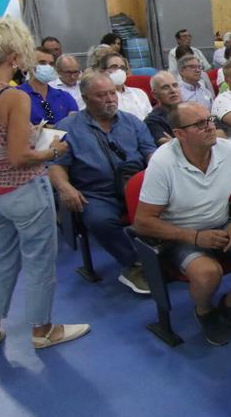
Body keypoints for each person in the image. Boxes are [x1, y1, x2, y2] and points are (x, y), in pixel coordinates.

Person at [0, 17, 89, 352]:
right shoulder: (13, 97)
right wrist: (51, 150)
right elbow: (18, 157)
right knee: (40, 261)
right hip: (23, 191)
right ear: (15, 54)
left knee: (2, 259)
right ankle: (43, 330)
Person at [132, 101, 231, 345]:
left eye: (210, 120)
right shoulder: (163, 162)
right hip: (180, 233)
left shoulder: (229, 150)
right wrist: (195, 237)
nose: (210, 127)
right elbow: (142, 223)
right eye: (200, 124)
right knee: (208, 273)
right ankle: (204, 311)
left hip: (222, 223)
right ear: (179, 134)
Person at [51, 72, 155, 295]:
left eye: (112, 93)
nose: (110, 99)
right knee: (100, 220)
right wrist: (65, 187)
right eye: (102, 95)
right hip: (97, 192)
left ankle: (164, 257)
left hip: (135, 185)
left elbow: (150, 152)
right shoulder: (68, 126)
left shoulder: (132, 121)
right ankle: (135, 264)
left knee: (166, 207)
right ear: (86, 98)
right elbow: (57, 165)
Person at [16, 49, 78, 125]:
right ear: (29, 64)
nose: (48, 67)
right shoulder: (16, 95)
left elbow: (74, 125)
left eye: (51, 64)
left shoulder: (65, 97)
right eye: (42, 63)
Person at [91, 46, 151, 121]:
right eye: (114, 67)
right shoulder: (100, 98)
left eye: (122, 68)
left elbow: (151, 119)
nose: (119, 71)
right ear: (102, 71)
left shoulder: (140, 93)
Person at [145, 71, 182, 145]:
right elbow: (169, 145)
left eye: (175, 85)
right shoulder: (152, 121)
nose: (173, 90)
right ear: (154, 95)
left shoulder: (191, 110)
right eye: (165, 87)